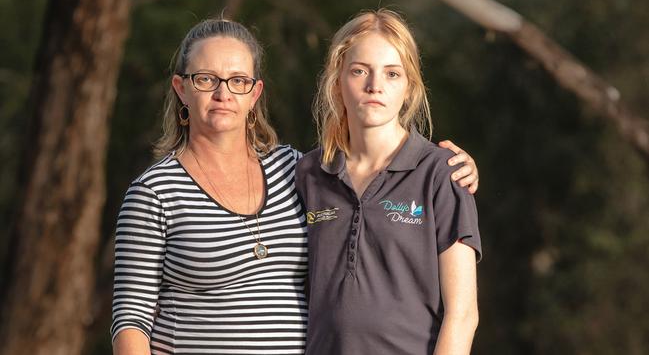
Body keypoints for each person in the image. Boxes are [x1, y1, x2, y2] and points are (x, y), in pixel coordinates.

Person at [111, 18, 479, 354]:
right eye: (206, 79)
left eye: (238, 81)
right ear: (181, 88)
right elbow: (130, 320)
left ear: (254, 94)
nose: (223, 94)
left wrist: (456, 167)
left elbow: (460, 312)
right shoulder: (155, 192)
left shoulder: (293, 169)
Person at [295, 9, 482, 355]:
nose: (374, 85)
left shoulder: (442, 173)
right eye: (359, 70)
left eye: (392, 74)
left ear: (409, 87)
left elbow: (463, 314)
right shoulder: (308, 173)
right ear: (337, 80)